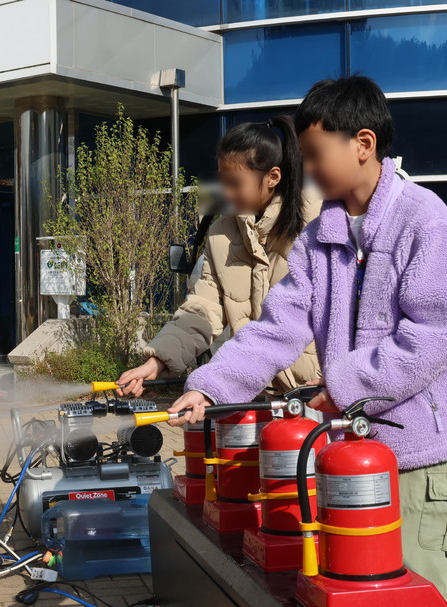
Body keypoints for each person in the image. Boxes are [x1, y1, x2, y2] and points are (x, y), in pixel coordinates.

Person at [169, 76, 447, 595]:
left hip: (415, 459)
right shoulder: (321, 235)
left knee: (417, 590)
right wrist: (209, 386)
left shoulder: (425, 220)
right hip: (342, 456)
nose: (309, 169)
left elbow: (431, 336)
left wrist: (343, 385)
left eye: (316, 154)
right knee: (348, 589)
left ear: (363, 145)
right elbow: (277, 328)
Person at [116, 115, 321, 398]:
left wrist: (335, 381)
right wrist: (157, 360)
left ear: (273, 177)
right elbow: (203, 308)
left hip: (317, 395)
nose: (226, 192)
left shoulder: (318, 221)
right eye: (223, 181)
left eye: (235, 183)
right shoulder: (220, 233)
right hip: (254, 390)